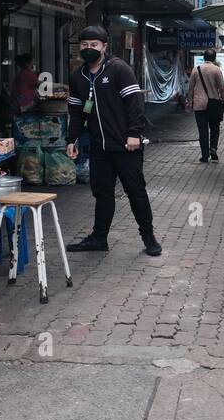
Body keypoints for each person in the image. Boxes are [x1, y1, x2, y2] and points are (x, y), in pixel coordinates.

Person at [64, 26, 161, 256]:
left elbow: (135, 103)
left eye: (94, 45)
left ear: (104, 47)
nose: (89, 49)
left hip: (127, 146)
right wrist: (71, 139)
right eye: (85, 45)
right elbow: (77, 112)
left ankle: (149, 238)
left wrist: (135, 133)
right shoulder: (79, 76)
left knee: (136, 192)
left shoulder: (119, 69)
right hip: (99, 148)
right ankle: (99, 238)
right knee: (102, 194)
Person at [186, 48, 224, 163]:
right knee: (215, 127)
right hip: (214, 104)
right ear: (214, 58)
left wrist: (189, 102)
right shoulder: (216, 70)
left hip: (199, 105)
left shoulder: (196, 69)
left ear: (204, 57)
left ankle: (204, 155)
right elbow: (222, 89)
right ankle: (213, 148)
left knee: (202, 131)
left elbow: (190, 88)